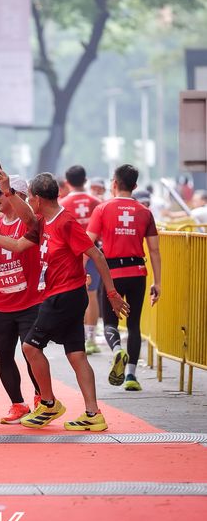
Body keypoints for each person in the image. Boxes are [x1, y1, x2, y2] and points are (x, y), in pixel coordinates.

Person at [0, 170, 129, 433]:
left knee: (30, 347)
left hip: (64, 295)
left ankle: (48, 403)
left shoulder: (65, 222)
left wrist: (112, 294)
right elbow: (16, 245)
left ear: (38, 199)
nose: (28, 203)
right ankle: (93, 414)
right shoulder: (42, 222)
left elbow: (96, 255)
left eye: (29, 198)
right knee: (76, 354)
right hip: (64, 294)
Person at [0, 175, 42, 424]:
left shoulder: (30, 222)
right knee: (3, 355)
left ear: (18, 195)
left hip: (30, 303)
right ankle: (17, 404)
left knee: (31, 353)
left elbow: (27, 224)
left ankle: (42, 399)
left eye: (0, 193)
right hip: (0, 304)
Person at [87, 164, 161, 392]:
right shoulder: (145, 212)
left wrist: (80, 273)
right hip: (137, 273)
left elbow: (87, 244)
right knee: (134, 323)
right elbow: (154, 250)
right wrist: (158, 282)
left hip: (112, 275)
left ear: (114, 183)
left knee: (110, 321)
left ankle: (118, 350)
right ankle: (131, 376)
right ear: (135, 186)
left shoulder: (102, 209)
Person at [60, 165, 102, 355]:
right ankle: (91, 339)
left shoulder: (62, 204)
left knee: (71, 295)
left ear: (67, 182)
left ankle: (75, 338)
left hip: (70, 255)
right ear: (85, 181)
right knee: (92, 295)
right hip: (92, 254)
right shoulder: (96, 203)